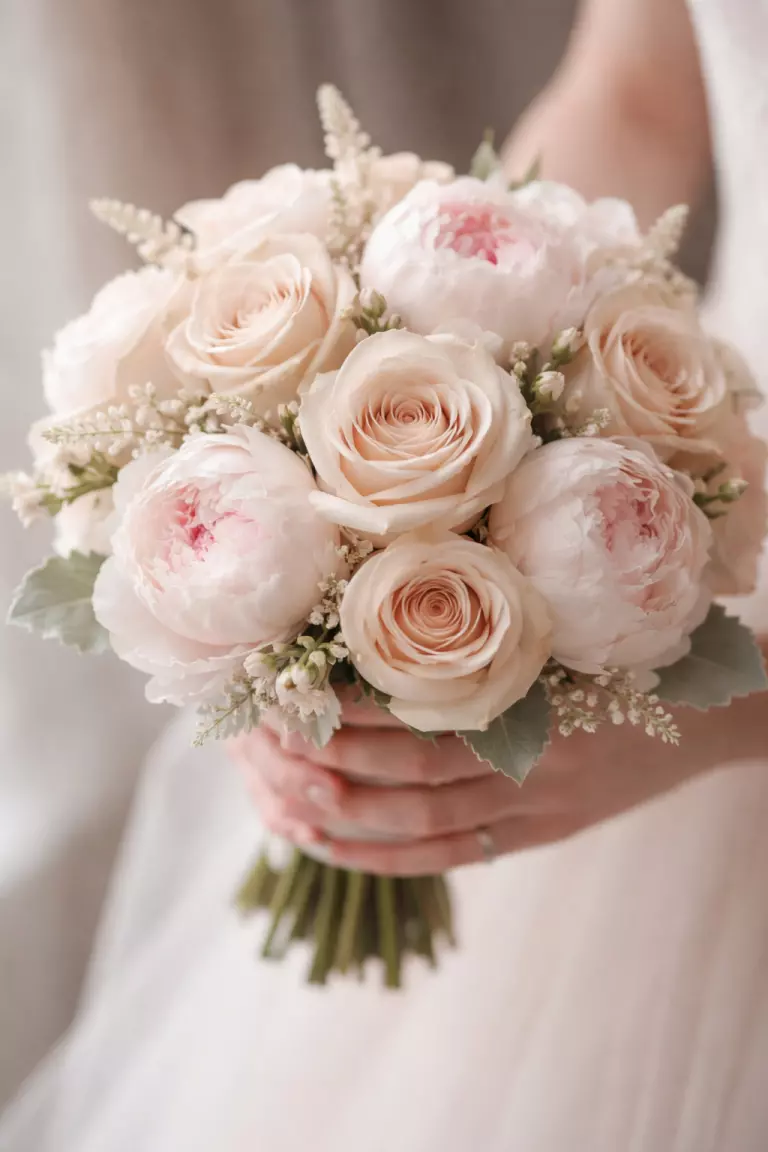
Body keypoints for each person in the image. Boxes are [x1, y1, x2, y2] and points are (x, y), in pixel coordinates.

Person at [1, 0, 767, 1149]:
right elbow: (634, 96)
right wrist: (452, 310)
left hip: (686, 615)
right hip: (692, 479)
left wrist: (728, 713)